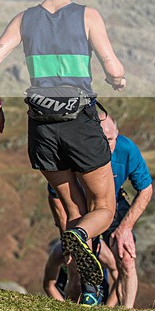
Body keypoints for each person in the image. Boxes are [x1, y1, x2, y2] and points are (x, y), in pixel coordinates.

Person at [0, 0, 126, 306]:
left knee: (75, 210)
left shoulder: (24, 19)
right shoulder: (88, 16)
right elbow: (113, 69)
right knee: (104, 208)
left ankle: (85, 291)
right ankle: (84, 258)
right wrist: (118, 81)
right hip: (79, 122)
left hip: (42, 128)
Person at [44, 114, 152, 307]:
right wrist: (66, 236)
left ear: (117, 135)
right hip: (80, 205)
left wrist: (125, 228)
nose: (105, 146)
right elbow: (55, 196)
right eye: (101, 140)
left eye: (110, 140)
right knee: (77, 268)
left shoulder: (126, 149)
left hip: (114, 202)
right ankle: (72, 306)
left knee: (126, 258)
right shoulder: (75, 151)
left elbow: (146, 189)